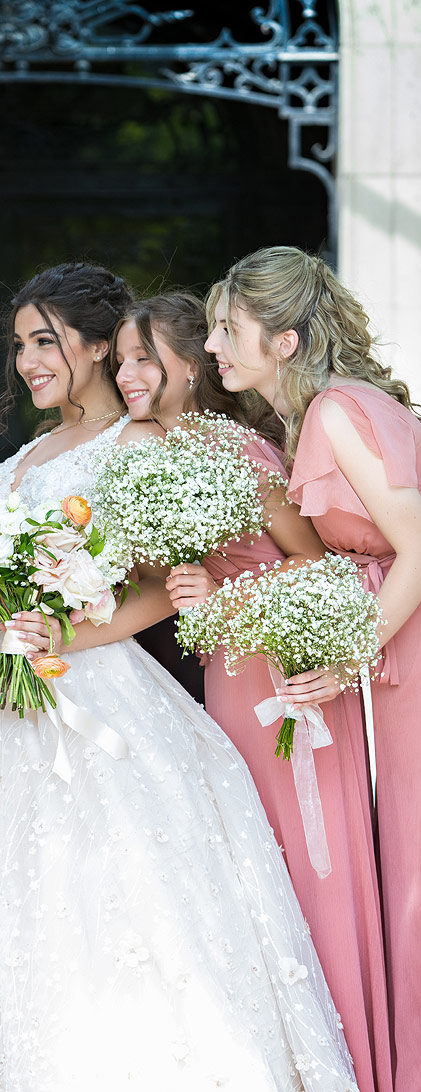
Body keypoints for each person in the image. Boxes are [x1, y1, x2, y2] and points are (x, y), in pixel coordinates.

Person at [0, 262, 359, 1092]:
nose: (27, 361)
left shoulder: (143, 443)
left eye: (45, 341)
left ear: (98, 344)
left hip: (84, 683)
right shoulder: (23, 451)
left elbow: (156, 586)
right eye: (18, 345)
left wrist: (63, 632)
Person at [113, 292, 390, 1092]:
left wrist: (225, 598)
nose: (127, 373)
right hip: (219, 687)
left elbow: (313, 563)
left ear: (191, 364)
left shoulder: (236, 449)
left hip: (283, 674)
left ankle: (351, 1064)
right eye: (122, 358)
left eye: (144, 357)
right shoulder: (145, 456)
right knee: (250, 874)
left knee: (312, 862)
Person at [204, 245, 421, 1092]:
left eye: (230, 328)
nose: (215, 346)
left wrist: (345, 652)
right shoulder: (323, 413)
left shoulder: (335, 410)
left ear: (285, 339)